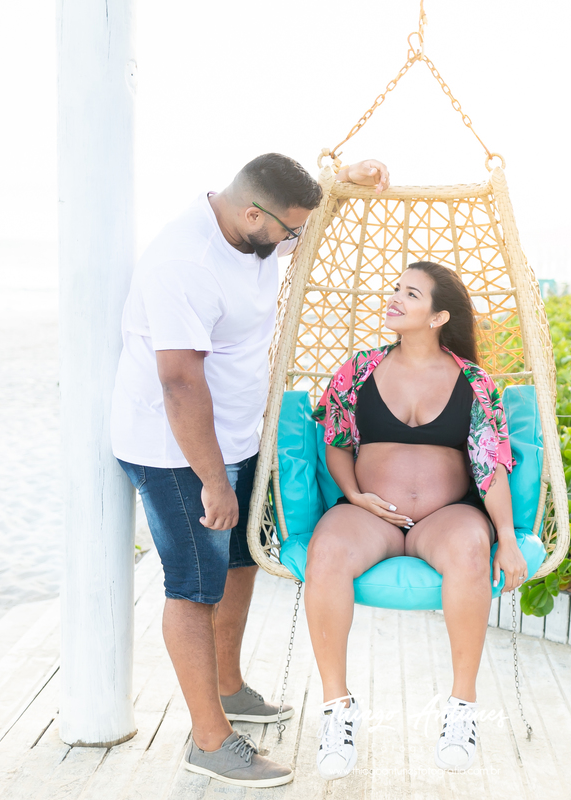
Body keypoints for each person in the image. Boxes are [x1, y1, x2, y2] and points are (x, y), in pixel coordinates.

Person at [110, 152, 390, 787]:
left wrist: (354, 174)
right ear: (251, 214)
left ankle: (229, 687)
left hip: (236, 436)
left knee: (240, 563)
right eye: (290, 233)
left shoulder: (257, 228)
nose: (296, 243)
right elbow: (179, 383)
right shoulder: (184, 264)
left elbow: (307, 199)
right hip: (175, 449)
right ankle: (208, 742)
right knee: (194, 586)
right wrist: (213, 479)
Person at [305, 261, 530, 780]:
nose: (395, 299)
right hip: (372, 515)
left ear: (438, 316)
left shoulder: (473, 382)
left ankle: (461, 709)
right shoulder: (358, 370)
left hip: (445, 516)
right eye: (396, 290)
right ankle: (337, 710)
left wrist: (508, 538)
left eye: (411, 294)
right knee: (326, 551)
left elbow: (490, 462)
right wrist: (355, 496)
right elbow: (336, 442)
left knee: (471, 550)